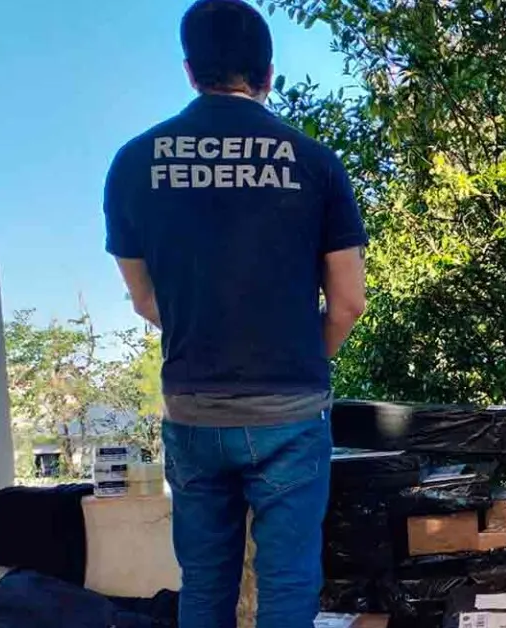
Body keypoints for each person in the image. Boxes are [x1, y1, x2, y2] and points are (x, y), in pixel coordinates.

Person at [102, 1, 367, 626]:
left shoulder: (133, 163)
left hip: (193, 409)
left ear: (190, 71)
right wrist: (299, 355)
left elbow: (144, 299)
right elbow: (348, 302)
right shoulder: (315, 162)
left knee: (204, 584)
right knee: (287, 585)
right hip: (290, 412)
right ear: (268, 73)